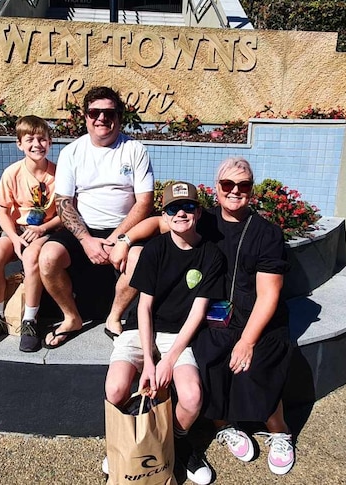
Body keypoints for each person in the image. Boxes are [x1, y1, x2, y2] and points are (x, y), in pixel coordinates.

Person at [109, 157, 296, 475]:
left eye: (243, 185)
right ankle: (224, 425)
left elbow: (269, 295)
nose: (235, 191)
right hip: (216, 314)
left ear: (251, 190)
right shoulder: (201, 219)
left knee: (259, 362)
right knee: (208, 356)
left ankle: (279, 432)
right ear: (217, 188)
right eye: (227, 184)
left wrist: (248, 341)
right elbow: (158, 222)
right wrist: (124, 241)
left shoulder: (267, 234)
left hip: (254, 316)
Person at [103, 182, 221, 485]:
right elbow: (143, 309)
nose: (181, 213)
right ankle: (124, 441)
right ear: (164, 216)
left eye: (188, 207)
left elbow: (198, 312)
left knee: (192, 397)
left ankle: (176, 442)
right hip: (141, 330)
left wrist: (168, 360)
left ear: (198, 211)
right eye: (172, 208)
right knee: (115, 389)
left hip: (179, 336)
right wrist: (151, 363)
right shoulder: (154, 249)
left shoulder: (211, 255)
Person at [38, 86, 154, 348]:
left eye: (109, 112)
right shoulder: (72, 152)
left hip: (125, 229)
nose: (102, 118)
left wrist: (117, 239)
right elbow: (63, 203)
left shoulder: (135, 150)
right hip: (84, 228)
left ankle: (114, 317)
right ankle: (71, 317)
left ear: (119, 117)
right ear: (86, 117)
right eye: (94, 112)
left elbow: (144, 202)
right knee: (47, 257)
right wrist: (87, 241)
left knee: (139, 257)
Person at [0, 115, 62, 353]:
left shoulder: (59, 174)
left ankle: (29, 321)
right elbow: (3, 212)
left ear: (50, 142)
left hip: (45, 230)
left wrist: (42, 229)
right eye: (30, 140)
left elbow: (65, 214)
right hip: (18, 231)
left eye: (42, 139)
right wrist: (14, 238)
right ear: (20, 144)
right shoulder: (12, 173)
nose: (37, 144)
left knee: (31, 258)